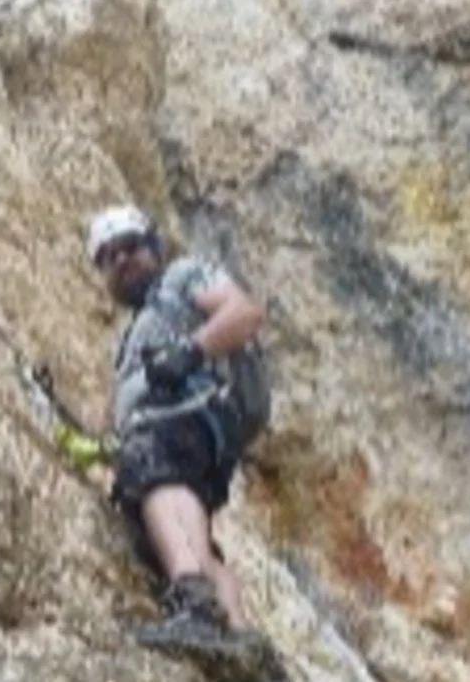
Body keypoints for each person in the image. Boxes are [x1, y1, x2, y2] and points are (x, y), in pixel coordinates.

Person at [77, 203, 281, 672]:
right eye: (108, 257)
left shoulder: (183, 277)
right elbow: (112, 425)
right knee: (197, 535)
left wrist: (189, 353)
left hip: (183, 420)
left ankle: (194, 602)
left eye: (129, 247)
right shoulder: (130, 337)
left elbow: (244, 313)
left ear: (154, 247)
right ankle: (242, 638)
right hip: (185, 431)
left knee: (153, 473)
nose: (121, 261)